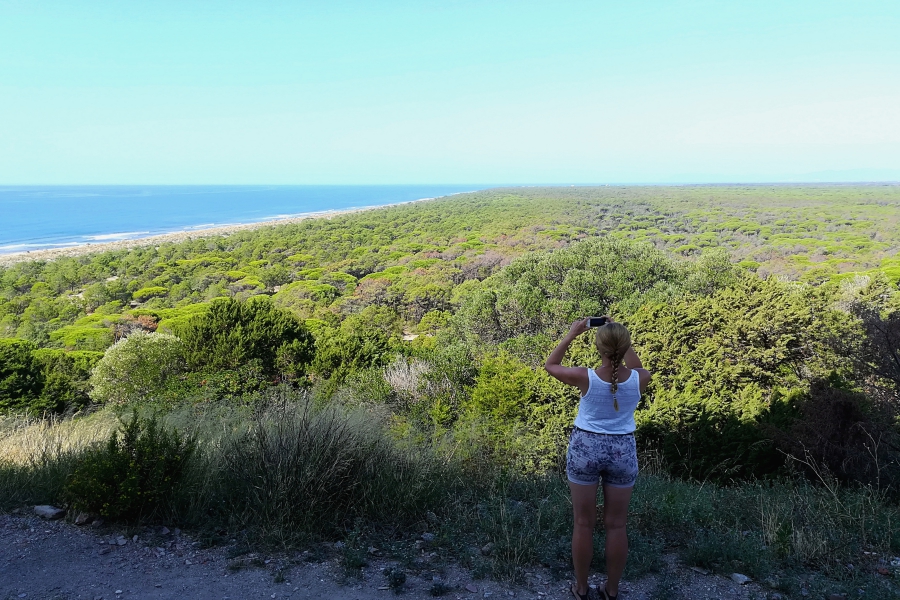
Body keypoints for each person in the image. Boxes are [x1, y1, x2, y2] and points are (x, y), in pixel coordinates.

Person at [544, 316, 651, 600]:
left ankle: (581, 588)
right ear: (626, 346)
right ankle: (611, 590)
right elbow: (637, 366)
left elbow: (550, 365)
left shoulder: (585, 376)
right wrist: (622, 340)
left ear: (598, 348)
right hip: (622, 450)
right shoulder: (641, 378)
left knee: (583, 523)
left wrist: (571, 334)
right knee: (617, 525)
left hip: (586, 447)